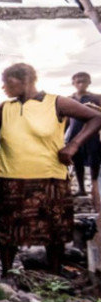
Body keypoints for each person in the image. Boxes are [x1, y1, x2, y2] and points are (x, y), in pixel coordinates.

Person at [0, 64, 101, 279]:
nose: (4, 86)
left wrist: (74, 145)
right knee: (8, 230)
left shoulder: (56, 103)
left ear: (24, 79)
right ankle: (7, 275)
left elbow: (96, 118)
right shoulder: (4, 108)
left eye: (8, 81)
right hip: (10, 178)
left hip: (50, 179)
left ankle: (53, 275)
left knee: (54, 230)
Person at [66, 71, 101, 212]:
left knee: (94, 161)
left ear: (89, 83)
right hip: (74, 134)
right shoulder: (69, 100)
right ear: (73, 83)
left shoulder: (96, 98)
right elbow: (66, 120)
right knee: (77, 161)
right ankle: (81, 189)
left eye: (84, 81)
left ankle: (95, 188)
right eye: (78, 81)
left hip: (92, 134)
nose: (81, 84)